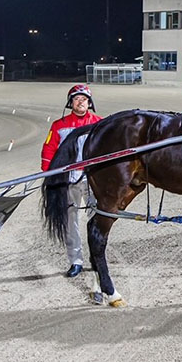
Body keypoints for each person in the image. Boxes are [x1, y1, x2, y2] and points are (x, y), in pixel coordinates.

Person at [41, 84, 103, 277]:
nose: (81, 102)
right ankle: (75, 261)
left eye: (84, 99)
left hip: (93, 180)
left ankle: (97, 260)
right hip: (69, 181)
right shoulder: (58, 126)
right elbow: (48, 150)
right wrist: (50, 175)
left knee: (98, 221)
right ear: (70, 103)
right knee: (71, 223)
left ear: (89, 103)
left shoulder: (100, 123)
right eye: (77, 99)